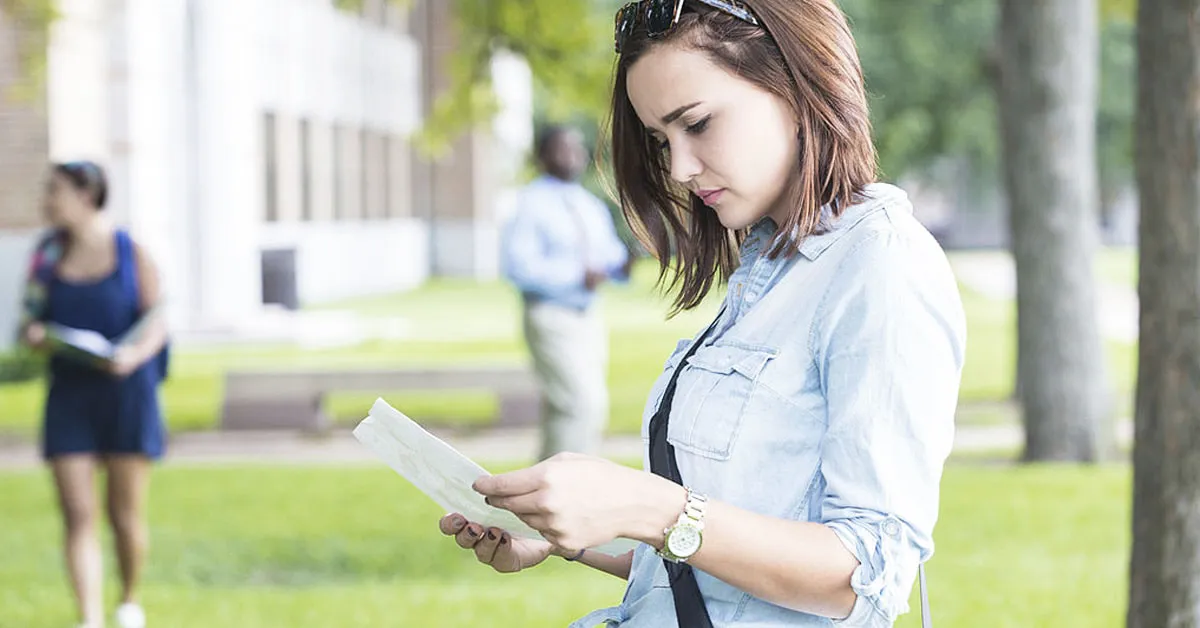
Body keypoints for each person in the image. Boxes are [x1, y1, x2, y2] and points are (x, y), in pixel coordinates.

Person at [440, 1, 965, 626]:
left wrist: (648, 504)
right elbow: (718, 567)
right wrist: (573, 533)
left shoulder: (880, 264)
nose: (681, 169)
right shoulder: (769, 269)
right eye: (663, 141)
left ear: (795, 84)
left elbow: (865, 576)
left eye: (698, 123)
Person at [17, 161, 169, 628]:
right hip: (70, 395)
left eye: (56, 190)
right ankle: (89, 618)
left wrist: (132, 355)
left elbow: (157, 322)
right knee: (77, 513)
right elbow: (26, 322)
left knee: (123, 515)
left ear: (87, 195)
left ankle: (128, 601)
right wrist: (37, 335)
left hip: (126, 392)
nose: (47, 199)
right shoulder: (46, 256)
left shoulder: (131, 252)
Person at [501, 125, 633, 460]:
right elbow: (519, 267)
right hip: (550, 315)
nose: (572, 155)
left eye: (577, 148)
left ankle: (537, 495)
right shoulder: (530, 204)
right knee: (583, 403)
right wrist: (577, 276)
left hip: (587, 316)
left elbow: (610, 254)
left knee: (565, 410)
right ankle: (565, 486)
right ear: (542, 156)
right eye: (562, 148)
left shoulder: (588, 204)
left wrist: (623, 263)